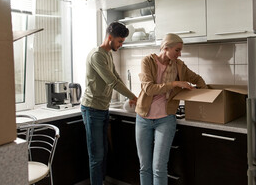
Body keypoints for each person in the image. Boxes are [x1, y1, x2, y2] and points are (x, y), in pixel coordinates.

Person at [135, 33, 207, 185]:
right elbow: (148, 89)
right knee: (144, 167)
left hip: (165, 119)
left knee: (159, 167)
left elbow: (198, 79)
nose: (180, 54)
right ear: (166, 48)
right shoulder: (147, 61)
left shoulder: (179, 66)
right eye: (177, 50)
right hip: (143, 119)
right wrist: (175, 84)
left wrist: (203, 95)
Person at [81, 21, 137, 185]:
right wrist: (133, 96)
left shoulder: (107, 54)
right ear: (110, 37)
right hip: (92, 109)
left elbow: (117, 77)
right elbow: (112, 82)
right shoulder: (97, 55)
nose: (120, 45)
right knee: (96, 155)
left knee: (103, 152)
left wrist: (130, 95)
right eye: (119, 41)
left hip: (102, 109)